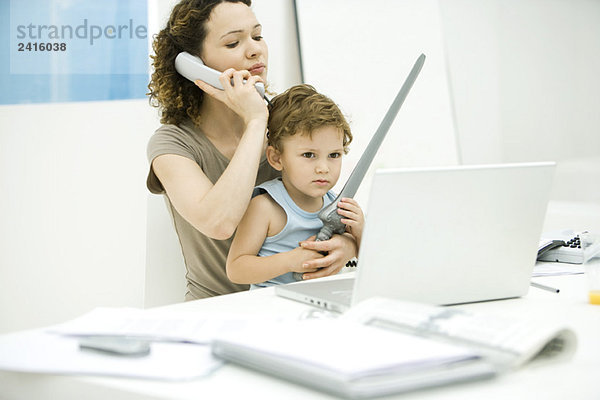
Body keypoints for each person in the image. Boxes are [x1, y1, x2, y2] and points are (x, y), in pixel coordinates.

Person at [146, 0, 358, 300]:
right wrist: (256, 120)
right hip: (215, 311)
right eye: (233, 42)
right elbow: (219, 223)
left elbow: (325, 204)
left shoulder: (290, 126)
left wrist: (347, 246)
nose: (255, 50)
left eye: (257, 36)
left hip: (291, 305)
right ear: (193, 63)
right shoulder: (172, 144)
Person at [226, 84, 364, 287]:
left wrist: (360, 232)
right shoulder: (265, 207)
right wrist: (289, 261)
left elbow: (372, 261)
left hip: (322, 306)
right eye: (309, 155)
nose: (323, 168)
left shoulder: (338, 204)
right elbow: (236, 270)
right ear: (276, 158)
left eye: (334, 155)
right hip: (273, 308)